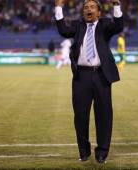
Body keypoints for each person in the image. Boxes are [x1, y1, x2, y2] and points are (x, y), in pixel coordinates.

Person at [55, 0, 123, 164]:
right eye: (86, 7)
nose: (88, 9)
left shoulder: (105, 25)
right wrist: (58, 8)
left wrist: (116, 6)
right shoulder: (78, 26)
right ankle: (84, 152)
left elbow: (118, 26)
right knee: (80, 115)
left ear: (99, 12)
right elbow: (63, 30)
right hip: (81, 77)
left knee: (104, 115)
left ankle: (102, 152)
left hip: (101, 76)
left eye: (92, 7)